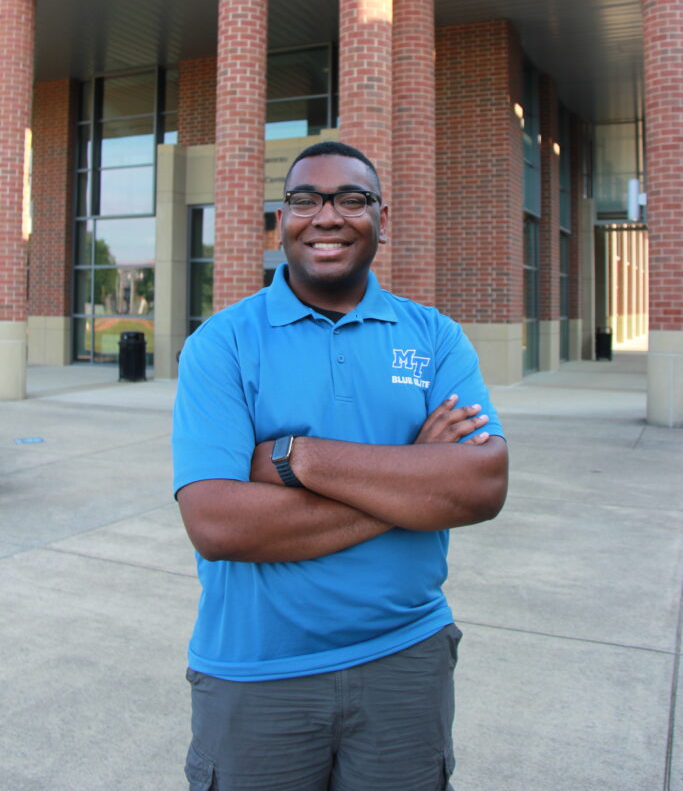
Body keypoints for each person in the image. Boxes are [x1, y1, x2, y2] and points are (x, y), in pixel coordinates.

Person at [172, 140, 508, 791]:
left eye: (350, 199)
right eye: (304, 200)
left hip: (405, 655)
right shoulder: (222, 342)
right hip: (257, 669)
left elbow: (481, 486)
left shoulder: (433, 336)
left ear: (383, 217)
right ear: (280, 221)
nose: (327, 216)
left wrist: (297, 457)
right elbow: (217, 523)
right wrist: (413, 478)